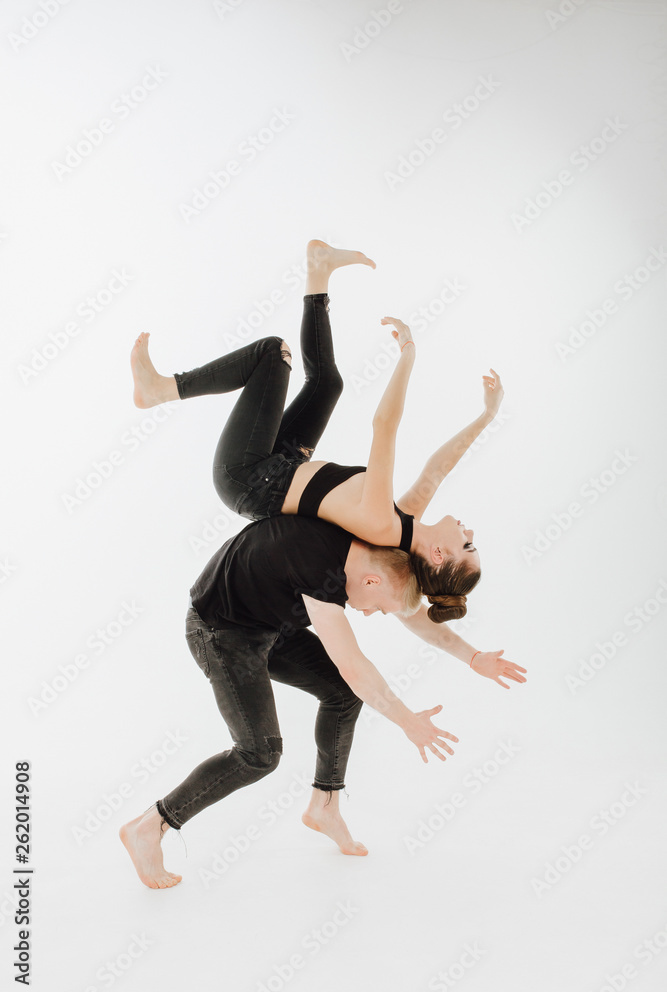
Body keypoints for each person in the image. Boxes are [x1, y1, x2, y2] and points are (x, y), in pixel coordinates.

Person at [129, 239, 508, 630]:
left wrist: (409, 353)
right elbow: (438, 469)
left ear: (439, 555)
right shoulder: (403, 523)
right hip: (284, 463)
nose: (469, 532)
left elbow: (384, 426)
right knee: (327, 383)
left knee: (271, 354)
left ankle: (162, 389)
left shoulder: (382, 524)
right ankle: (319, 269)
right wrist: (487, 416)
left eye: (468, 544)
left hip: (248, 478)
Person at [120, 513, 460, 889]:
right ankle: (150, 826)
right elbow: (354, 666)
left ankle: (324, 807)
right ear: (371, 580)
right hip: (221, 631)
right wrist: (409, 722)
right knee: (259, 754)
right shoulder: (319, 567)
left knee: (343, 695)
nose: (367, 613)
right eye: (378, 607)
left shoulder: (356, 547)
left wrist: (475, 657)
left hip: (268, 625)